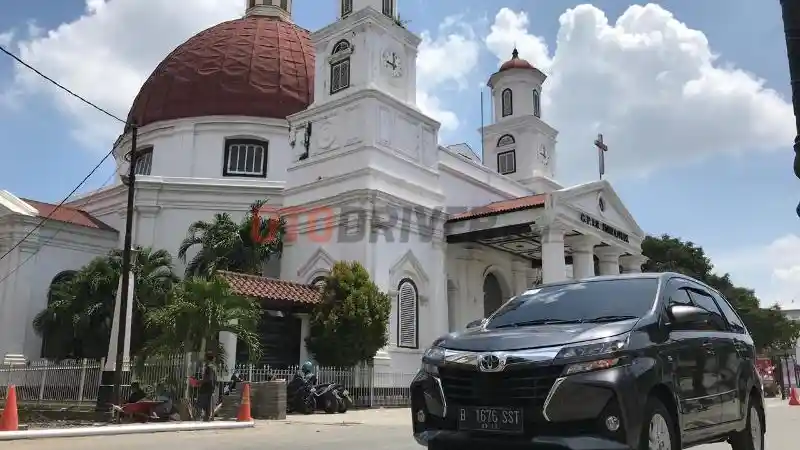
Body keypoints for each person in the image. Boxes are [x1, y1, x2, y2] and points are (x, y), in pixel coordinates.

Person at [197, 351, 217, 421]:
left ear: (206, 358)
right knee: (208, 403)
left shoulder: (209, 367)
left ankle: (204, 417)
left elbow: (208, 378)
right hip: (211, 387)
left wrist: (200, 381)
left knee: (202, 403)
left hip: (206, 387)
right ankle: (208, 418)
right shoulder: (213, 367)